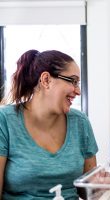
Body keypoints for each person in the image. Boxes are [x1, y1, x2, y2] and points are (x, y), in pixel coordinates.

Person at [0, 49, 98, 199]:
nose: (78, 91)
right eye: (73, 81)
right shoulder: (5, 120)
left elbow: (87, 192)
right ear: (46, 80)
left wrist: (99, 186)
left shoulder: (80, 122)